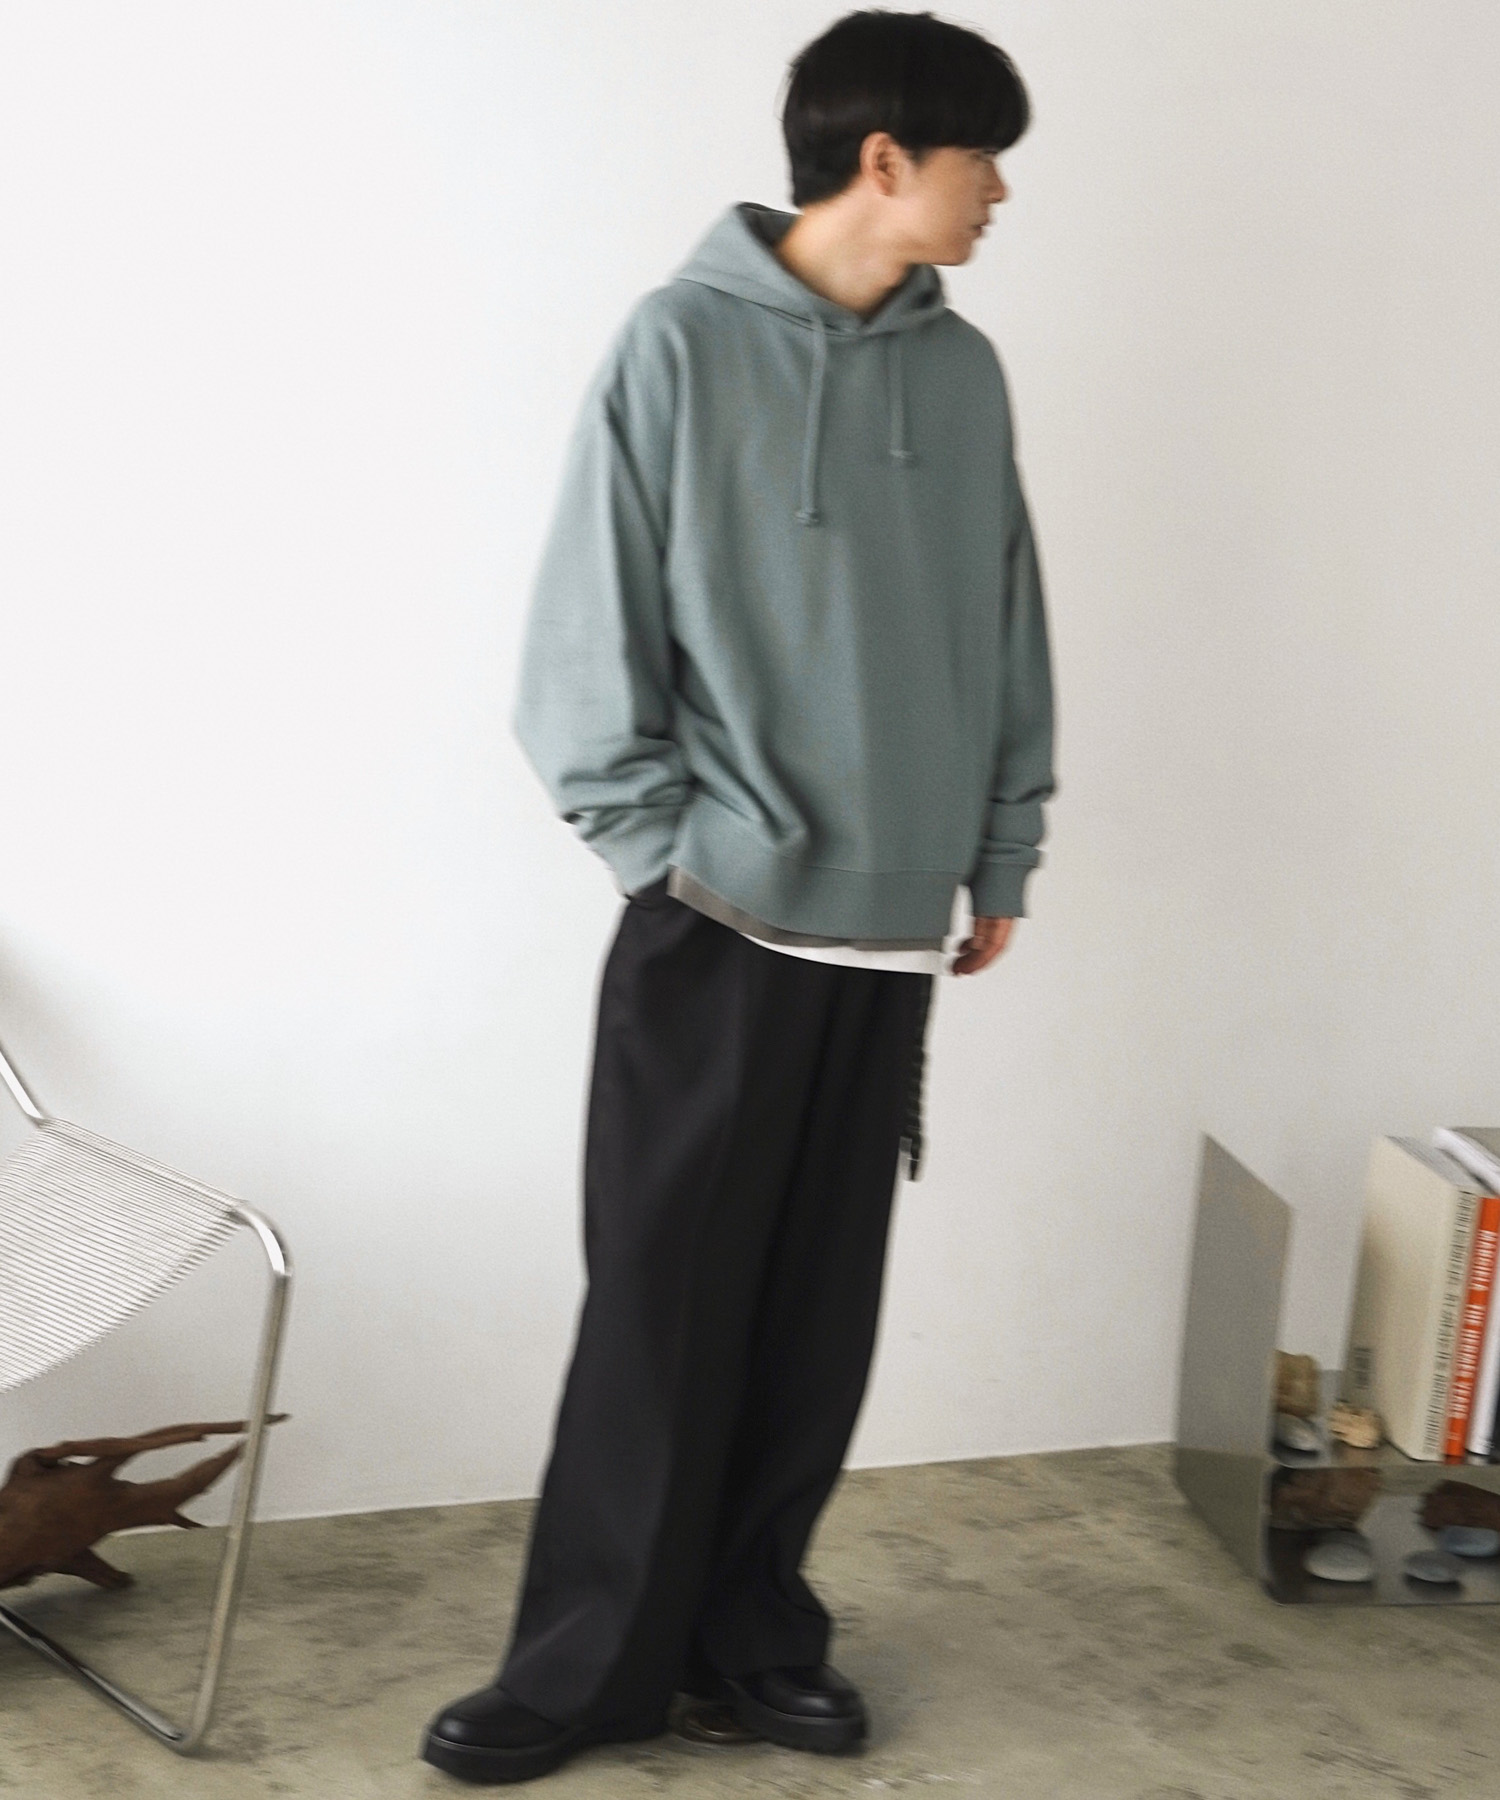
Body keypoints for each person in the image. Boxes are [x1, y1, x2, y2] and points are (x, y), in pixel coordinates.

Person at [420, 7, 1056, 1785]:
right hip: (720, 920)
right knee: (661, 1312)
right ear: (883, 160)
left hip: (893, 925)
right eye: (981, 159)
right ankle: (584, 1669)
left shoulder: (964, 373)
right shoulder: (679, 345)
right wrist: (666, 855)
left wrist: (1000, 846)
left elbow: (1011, 620)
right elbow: (582, 638)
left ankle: (753, 1633)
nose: (1000, 193)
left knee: (814, 1317)